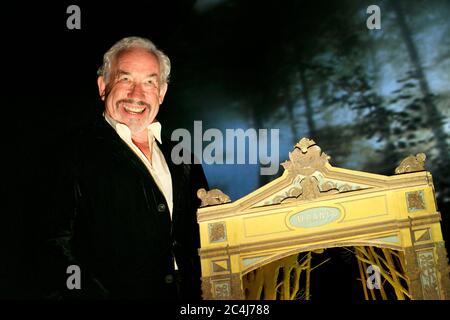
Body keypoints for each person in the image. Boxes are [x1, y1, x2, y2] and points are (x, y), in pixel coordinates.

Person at [37, 36, 208, 300]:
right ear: (103, 85)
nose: (136, 95)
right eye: (125, 79)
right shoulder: (69, 152)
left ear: (161, 93)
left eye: (150, 82)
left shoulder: (183, 154)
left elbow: (201, 237)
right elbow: (52, 245)